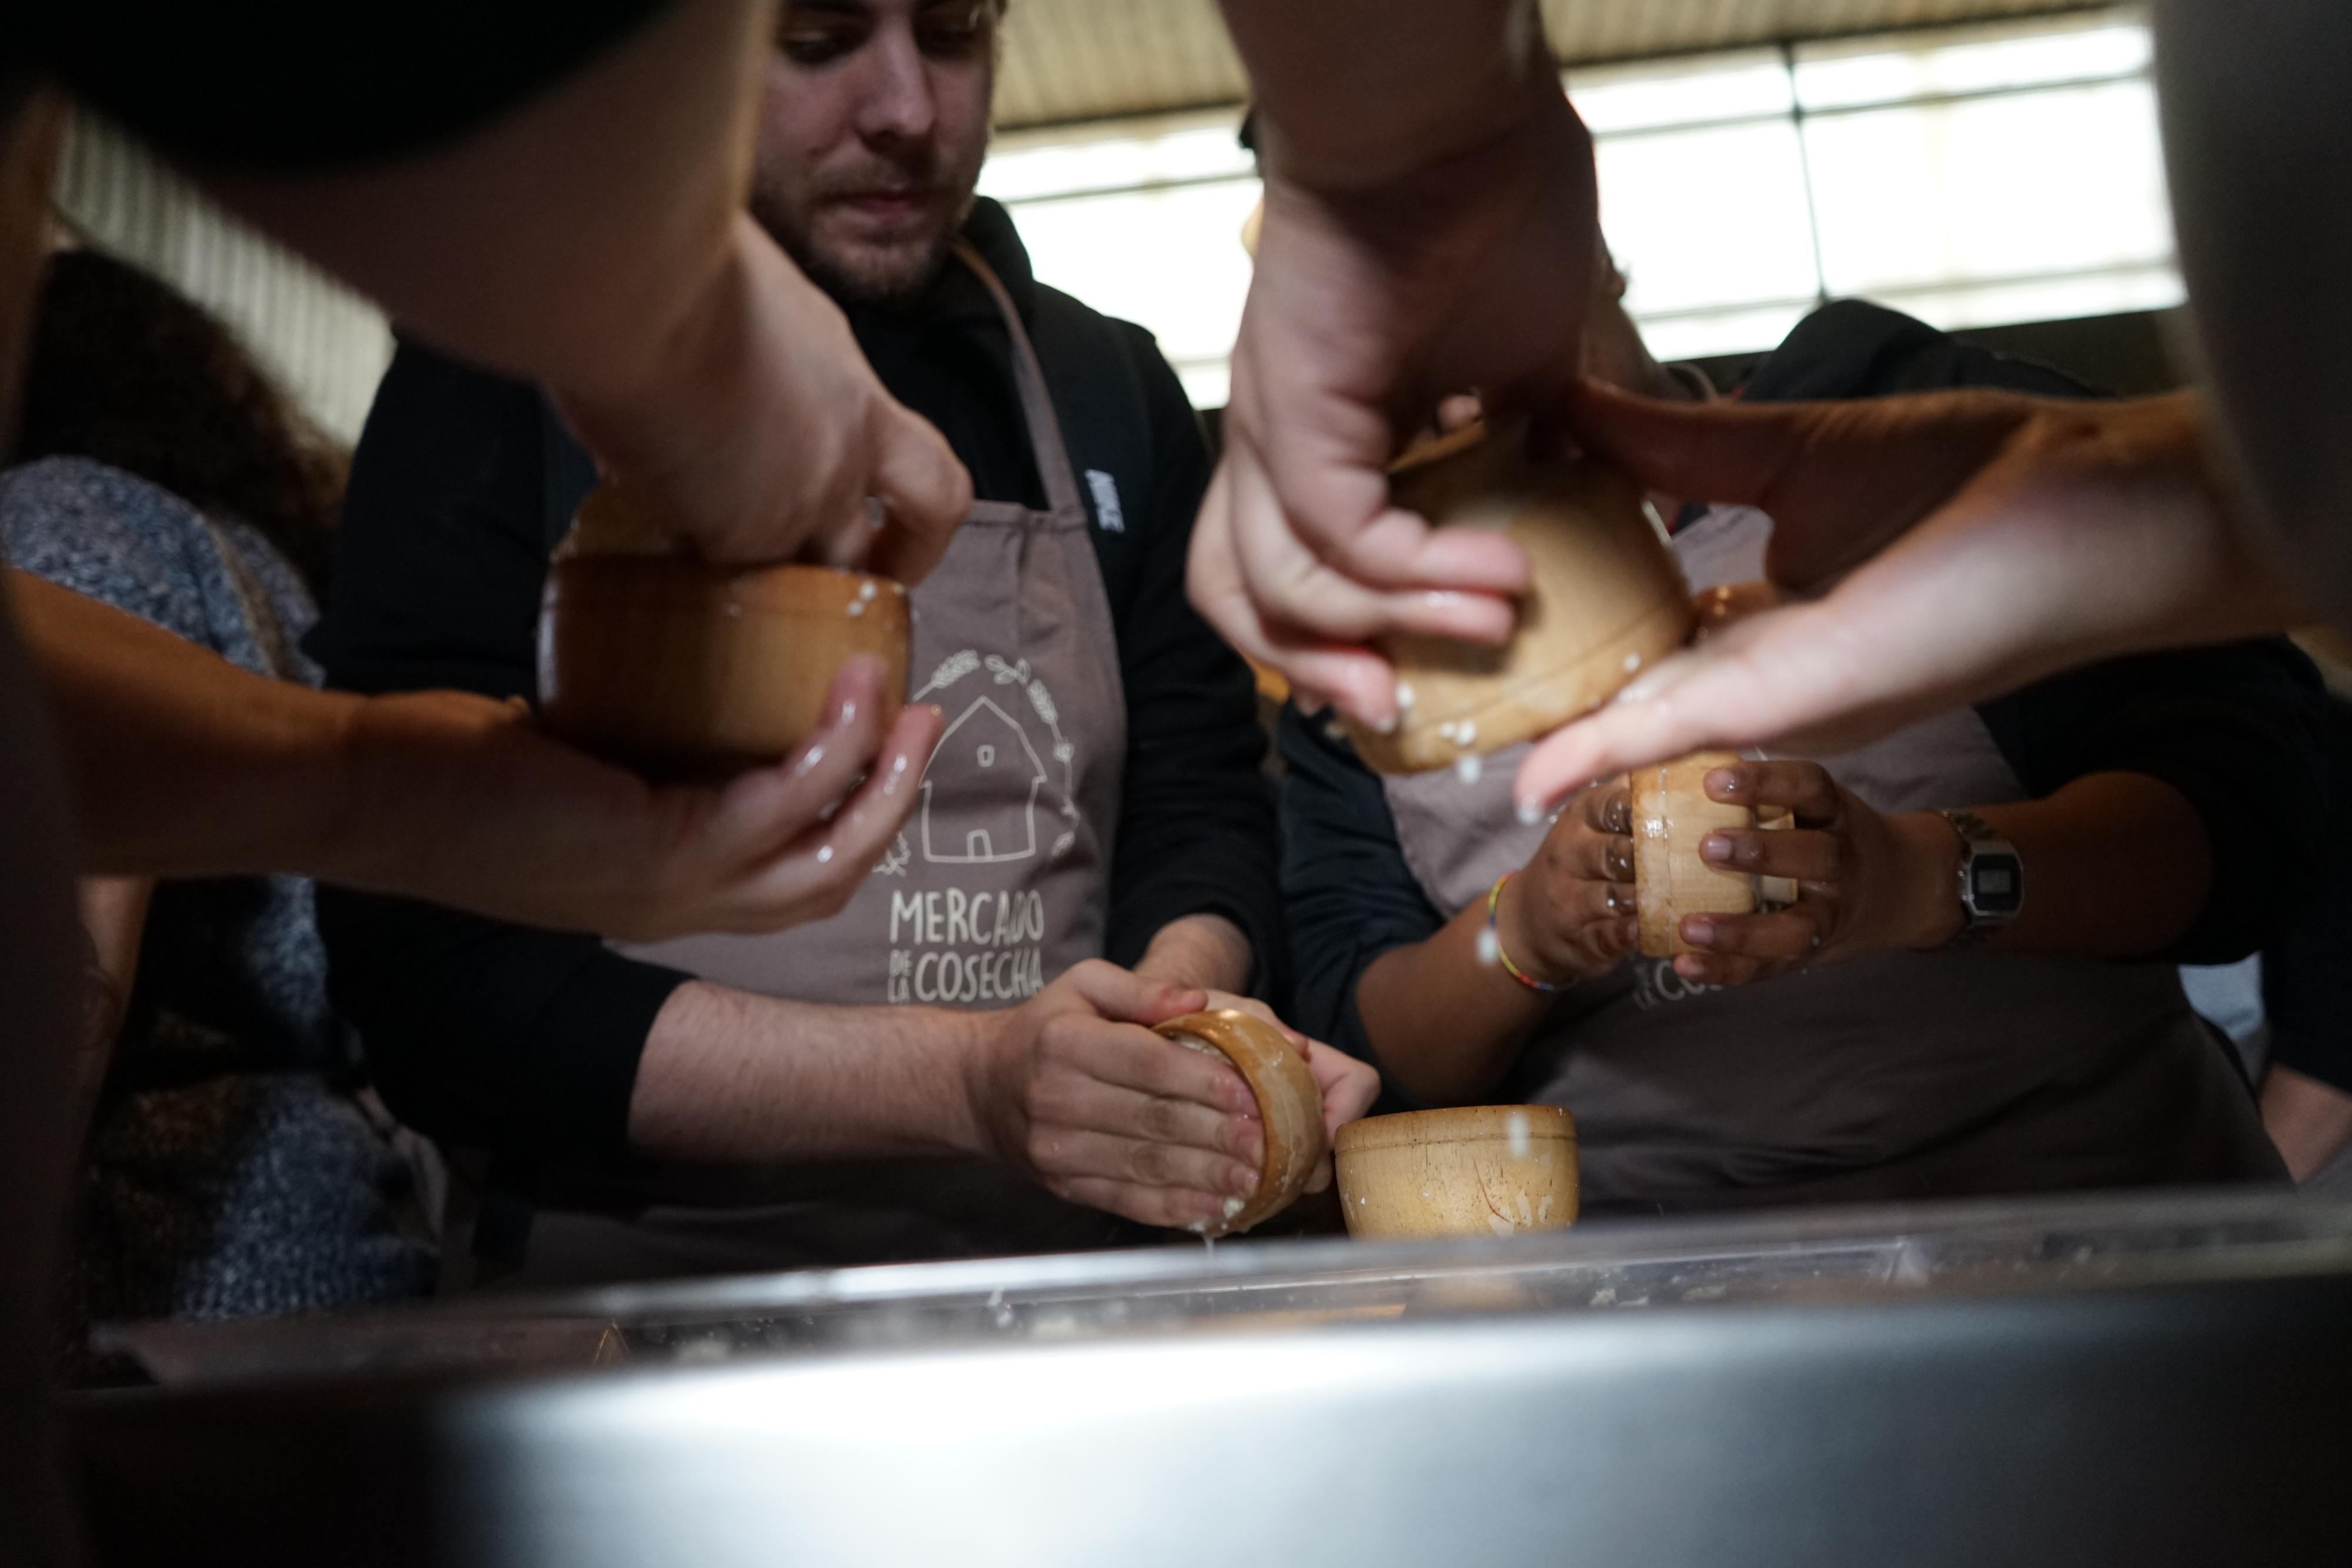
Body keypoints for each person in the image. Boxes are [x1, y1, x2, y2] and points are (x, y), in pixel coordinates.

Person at [309, 0, 1375, 1287]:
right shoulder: (510, 370)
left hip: (1069, 1286)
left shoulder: (1106, 392)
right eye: (818, 41)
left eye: (952, 32)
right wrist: (962, 1081)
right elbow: (429, 974)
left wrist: (1167, 1017)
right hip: (633, 1305)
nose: (907, 109)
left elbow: (1196, 806)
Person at [1281, 261, 2318, 1212]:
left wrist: (1909, 877)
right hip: (1655, 1260)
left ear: (1583, 240)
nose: (1459, 392)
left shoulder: (1880, 412)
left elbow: (2251, 810)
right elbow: (1365, 1051)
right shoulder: (1373, 661)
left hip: (2079, 1200)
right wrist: (1525, 932)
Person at [1186, 1, 2352, 821]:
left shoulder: (1879, 381)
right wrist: (2107, 502)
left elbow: (2256, 773)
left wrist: (1407, 156)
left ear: (1604, 260)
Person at [6, 249, 438, 1375]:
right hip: (317, 1260)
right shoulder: (246, 561)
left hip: (161, 1297)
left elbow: (62, 972)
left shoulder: (63, 524)